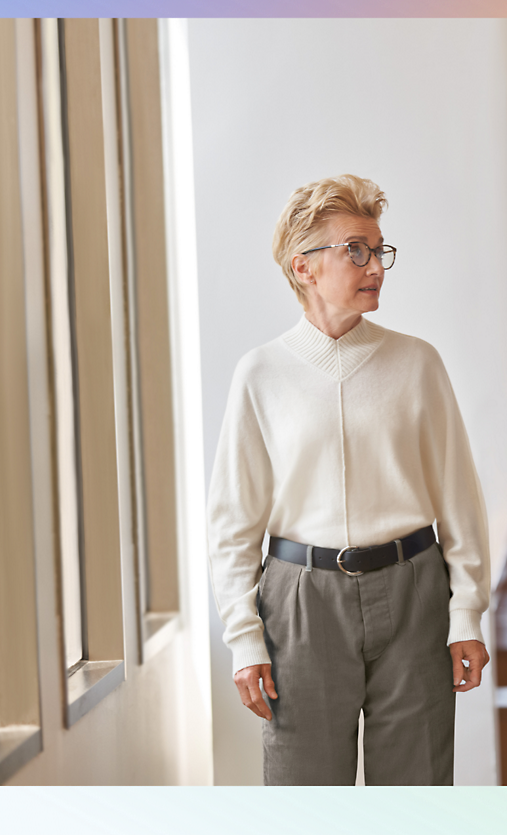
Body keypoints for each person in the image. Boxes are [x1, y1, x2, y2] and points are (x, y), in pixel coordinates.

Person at [206, 174, 491, 786]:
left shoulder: (417, 363)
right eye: (355, 250)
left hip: (415, 595)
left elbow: (460, 502)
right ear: (303, 267)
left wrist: (466, 612)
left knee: (416, 799)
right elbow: (233, 523)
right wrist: (245, 640)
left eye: (379, 250)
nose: (376, 267)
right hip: (300, 602)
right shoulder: (260, 374)